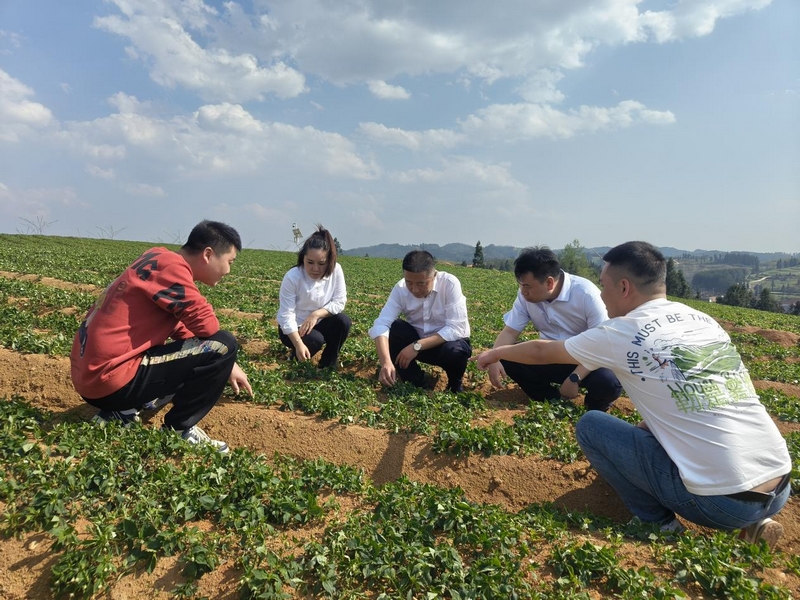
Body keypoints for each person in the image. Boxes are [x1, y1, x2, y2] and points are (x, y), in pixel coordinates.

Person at [474, 241, 791, 548]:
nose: (601, 294)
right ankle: (753, 522)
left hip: (723, 503)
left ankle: (660, 523)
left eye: (604, 285)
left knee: (592, 426)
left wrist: (495, 353)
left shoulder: (624, 331)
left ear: (624, 287)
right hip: (779, 485)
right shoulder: (702, 320)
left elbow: (544, 352)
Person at [70, 220, 253, 453]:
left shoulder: (158, 257)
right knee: (225, 343)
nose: (228, 271)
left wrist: (227, 365)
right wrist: (223, 356)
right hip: (109, 381)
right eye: (230, 262)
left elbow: (180, 328)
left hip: (92, 379)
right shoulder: (172, 268)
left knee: (209, 353)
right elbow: (207, 325)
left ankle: (122, 411)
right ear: (208, 254)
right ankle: (180, 430)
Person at [487, 247, 622, 411]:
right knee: (508, 355)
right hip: (548, 355)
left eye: (527, 286)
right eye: (521, 285)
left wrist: (575, 378)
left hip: (585, 359)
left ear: (549, 282)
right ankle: (550, 399)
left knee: (609, 381)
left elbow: (600, 345)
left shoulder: (586, 294)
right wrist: (494, 358)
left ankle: (594, 408)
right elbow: (510, 331)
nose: (523, 292)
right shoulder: (525, 296)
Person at [368, 250, 471, 392]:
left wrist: (417, 346)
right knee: (394, 328)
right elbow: (382, 323)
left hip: (444, 345)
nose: (414, 289)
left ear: (434, 276)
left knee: (455, 350)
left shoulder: (449, 284)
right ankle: (416, 383)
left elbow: (455, 328)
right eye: (409, 282)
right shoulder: (400, 289)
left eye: (421, 283)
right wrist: (385, 361)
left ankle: (455, 386)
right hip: (417, 341)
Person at [276, 225, 351, 369]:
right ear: (303, 258)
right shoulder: (293, 277)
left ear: (329, 261)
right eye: (310, 262)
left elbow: (339, 302)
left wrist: (316, 315)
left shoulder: (336, 271)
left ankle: (328, 364)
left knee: (343, 321)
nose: (315, 268)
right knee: (315, 340)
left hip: (320, 322)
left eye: (321, 263)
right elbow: (286, 315)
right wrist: (298, 343)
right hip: (294, 327)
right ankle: (295, 356)